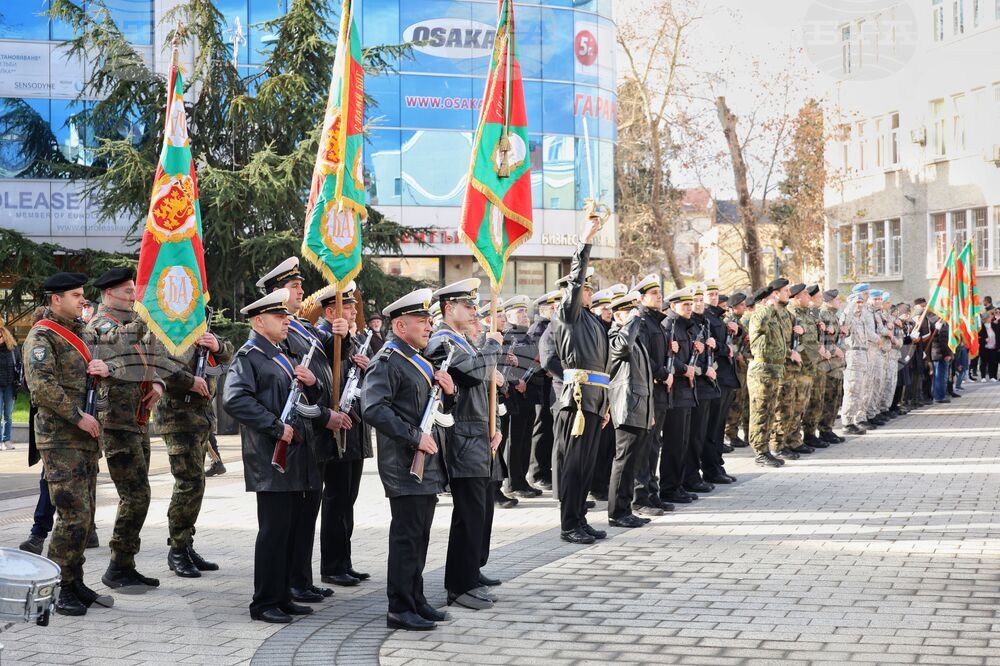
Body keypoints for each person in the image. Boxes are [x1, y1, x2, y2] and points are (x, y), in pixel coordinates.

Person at [223, 288, 322, 624]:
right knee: (273, 532)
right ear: (259, 320)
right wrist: (274, 427)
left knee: (289, 530)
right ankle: (263, 602)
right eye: (279, 317)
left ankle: (282, 596)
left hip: (294, 458)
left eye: (286, 316)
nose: (286, 321)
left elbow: (302, 401)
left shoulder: (280, 354)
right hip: (270, 457)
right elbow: (235, 399)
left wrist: (313, 383)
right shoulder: (249, 356)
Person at [361, 288, 456, 631]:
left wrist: (449, 391)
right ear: (400, 325)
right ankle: (399, 607)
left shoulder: (415, 358)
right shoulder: (387, 360)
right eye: (421, 320)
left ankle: (415, 599)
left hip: (423, 462)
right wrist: (415, 437)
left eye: (430, 319)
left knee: (419, 536)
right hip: (404, 463)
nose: (429, 326)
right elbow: (372, 408)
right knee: (406, 538)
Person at [22, 272, 112, 616]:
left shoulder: (83, 334)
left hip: (85, 436)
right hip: (61, 437)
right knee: (72, 514)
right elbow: (42, 387)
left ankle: (73, 580)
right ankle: (56, 588)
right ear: (55, 299)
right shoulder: (43, 336)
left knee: (85, 515)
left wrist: (102, 368)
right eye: (76, 295)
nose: (82, 301)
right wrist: (78, 417)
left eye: (83, 295)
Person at [255, 258, 343, 604]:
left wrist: (341, 338)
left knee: (307, 514)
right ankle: (289, 582)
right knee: (291, 519)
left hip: (311, 432)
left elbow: (325, 366)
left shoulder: (300, 327)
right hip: (302, 429)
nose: (301, 291)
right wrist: (323, 416)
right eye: (294, 286)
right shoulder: (281, 332)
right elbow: (294, 387)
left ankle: (300, 580)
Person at [85, 266, 164, 593]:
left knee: (138, 493)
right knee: (136, 494)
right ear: (109, 294)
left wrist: (157, 381)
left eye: (135, 290)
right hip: (116, 422)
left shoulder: (130, 322)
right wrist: (147, 315)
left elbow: (149, 354)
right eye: (129, 292)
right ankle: (118, 565)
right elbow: (119, 343)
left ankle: (125, 563)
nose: (135, 296)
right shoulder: (100, 324)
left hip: (137, 419)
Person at [426, 279, 503, 611]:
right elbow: (470, 374)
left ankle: (471, 572)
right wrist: (492, 346)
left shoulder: (465, 342)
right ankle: (458, 585)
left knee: (480, 510)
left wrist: (495, 427)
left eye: (474, 307)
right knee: (468, 513)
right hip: (461, 437)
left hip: (479, 433)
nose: (474, 312)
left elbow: (484, 386)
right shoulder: (443, 340)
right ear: (448, 309)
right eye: (468, 306)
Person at [155, 307, 234, 578]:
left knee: (195, 484)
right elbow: (159, 365)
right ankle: (176, 549)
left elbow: (228, 354)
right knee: (188, 484)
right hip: (178, 419)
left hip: (200, 420)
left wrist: (217, 344)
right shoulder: (167, 329)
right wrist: (189, 381)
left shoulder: (201, 330)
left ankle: (186, 544)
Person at [550, 212, 611, 545]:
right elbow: (574, 278)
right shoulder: (569, 315)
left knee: (586, 467)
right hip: (575, 402)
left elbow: (603, 369)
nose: (588, 291)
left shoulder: (592, 321)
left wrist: (604, 406)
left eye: (588, 288)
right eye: (585, 287)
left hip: (593, 401)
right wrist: (585, 239)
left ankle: (580, 518)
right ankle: (568, 524)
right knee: (573, 467)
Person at [314, 283, 374, 588]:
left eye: (352, 308)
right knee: (336, 500)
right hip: (339, 429)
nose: (353, 312)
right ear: (330, 311)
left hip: (357, 428)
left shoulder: (356, 337)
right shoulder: (326, 336)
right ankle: (332, 565)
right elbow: (327, 368)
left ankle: (345, 561)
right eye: (347, 307)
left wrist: (366, 363)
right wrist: (346, 346)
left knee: (348, 500)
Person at [606, 292, 654, 528]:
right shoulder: (615, 335)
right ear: (618, 315)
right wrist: (633, 322)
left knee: (632, 463)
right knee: (623, 462)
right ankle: (617, 512)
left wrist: (650, 411)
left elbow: (645, 377)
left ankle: (626, 508)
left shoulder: (633, 336)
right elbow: (622, 349)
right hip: (626, 407)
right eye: (629, 312)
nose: (636, 316)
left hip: (640, 407)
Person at [630, 274, 673, 516]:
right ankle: (639, 497)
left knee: (654, 444)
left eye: (659, 293)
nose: (659, 296)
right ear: (642, 298)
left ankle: (652, 493)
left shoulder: (656, 321)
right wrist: (662, 374)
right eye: (654, 294)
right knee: (644, 447)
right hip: (648, 391)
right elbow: (643, 358)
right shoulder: (642, 323)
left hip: (659, 393)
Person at [746, 282, 790, 467]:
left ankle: (765, 450)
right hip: (761, 371)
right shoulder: (758, 314)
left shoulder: (773, 316)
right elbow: (759, 328)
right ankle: (759, 452)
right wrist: (766, 306)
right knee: (760, 412)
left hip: (773, 370)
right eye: (772, 297)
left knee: (770, 411)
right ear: (765, 299)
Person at [526, 291, 560, 491]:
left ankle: (545, 470)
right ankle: (538, 472)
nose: (556, 310)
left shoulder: (551, 326)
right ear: (543, 309)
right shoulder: (538, 329)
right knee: (541, 427)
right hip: (541, 385)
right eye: (552, 307)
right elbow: (534, 358)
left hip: (550, 386)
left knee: (549, 428)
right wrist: (544, 369)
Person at [0, 322, 20, 451]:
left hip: (10, 385)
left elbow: (19, 365)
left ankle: (6, 439)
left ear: (4, 336)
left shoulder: (13, 350)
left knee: (8, 414)